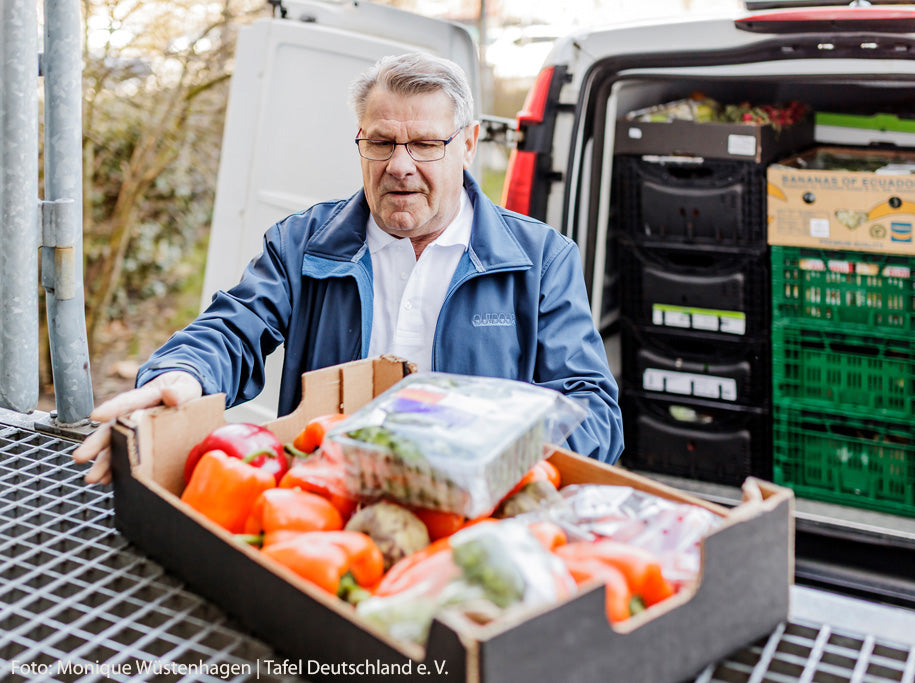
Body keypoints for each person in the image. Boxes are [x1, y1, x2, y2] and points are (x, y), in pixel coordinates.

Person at [72, 51, 624, 484]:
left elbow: (593, 411)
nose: (400, 166)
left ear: (468, 144)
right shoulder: (304, 243)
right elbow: (231, 329)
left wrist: (487, 459)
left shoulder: (540, 259)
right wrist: (180, 376)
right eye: (381, 142)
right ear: (360, 141)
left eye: (426, 144)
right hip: (319, 509)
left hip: (475, 520)